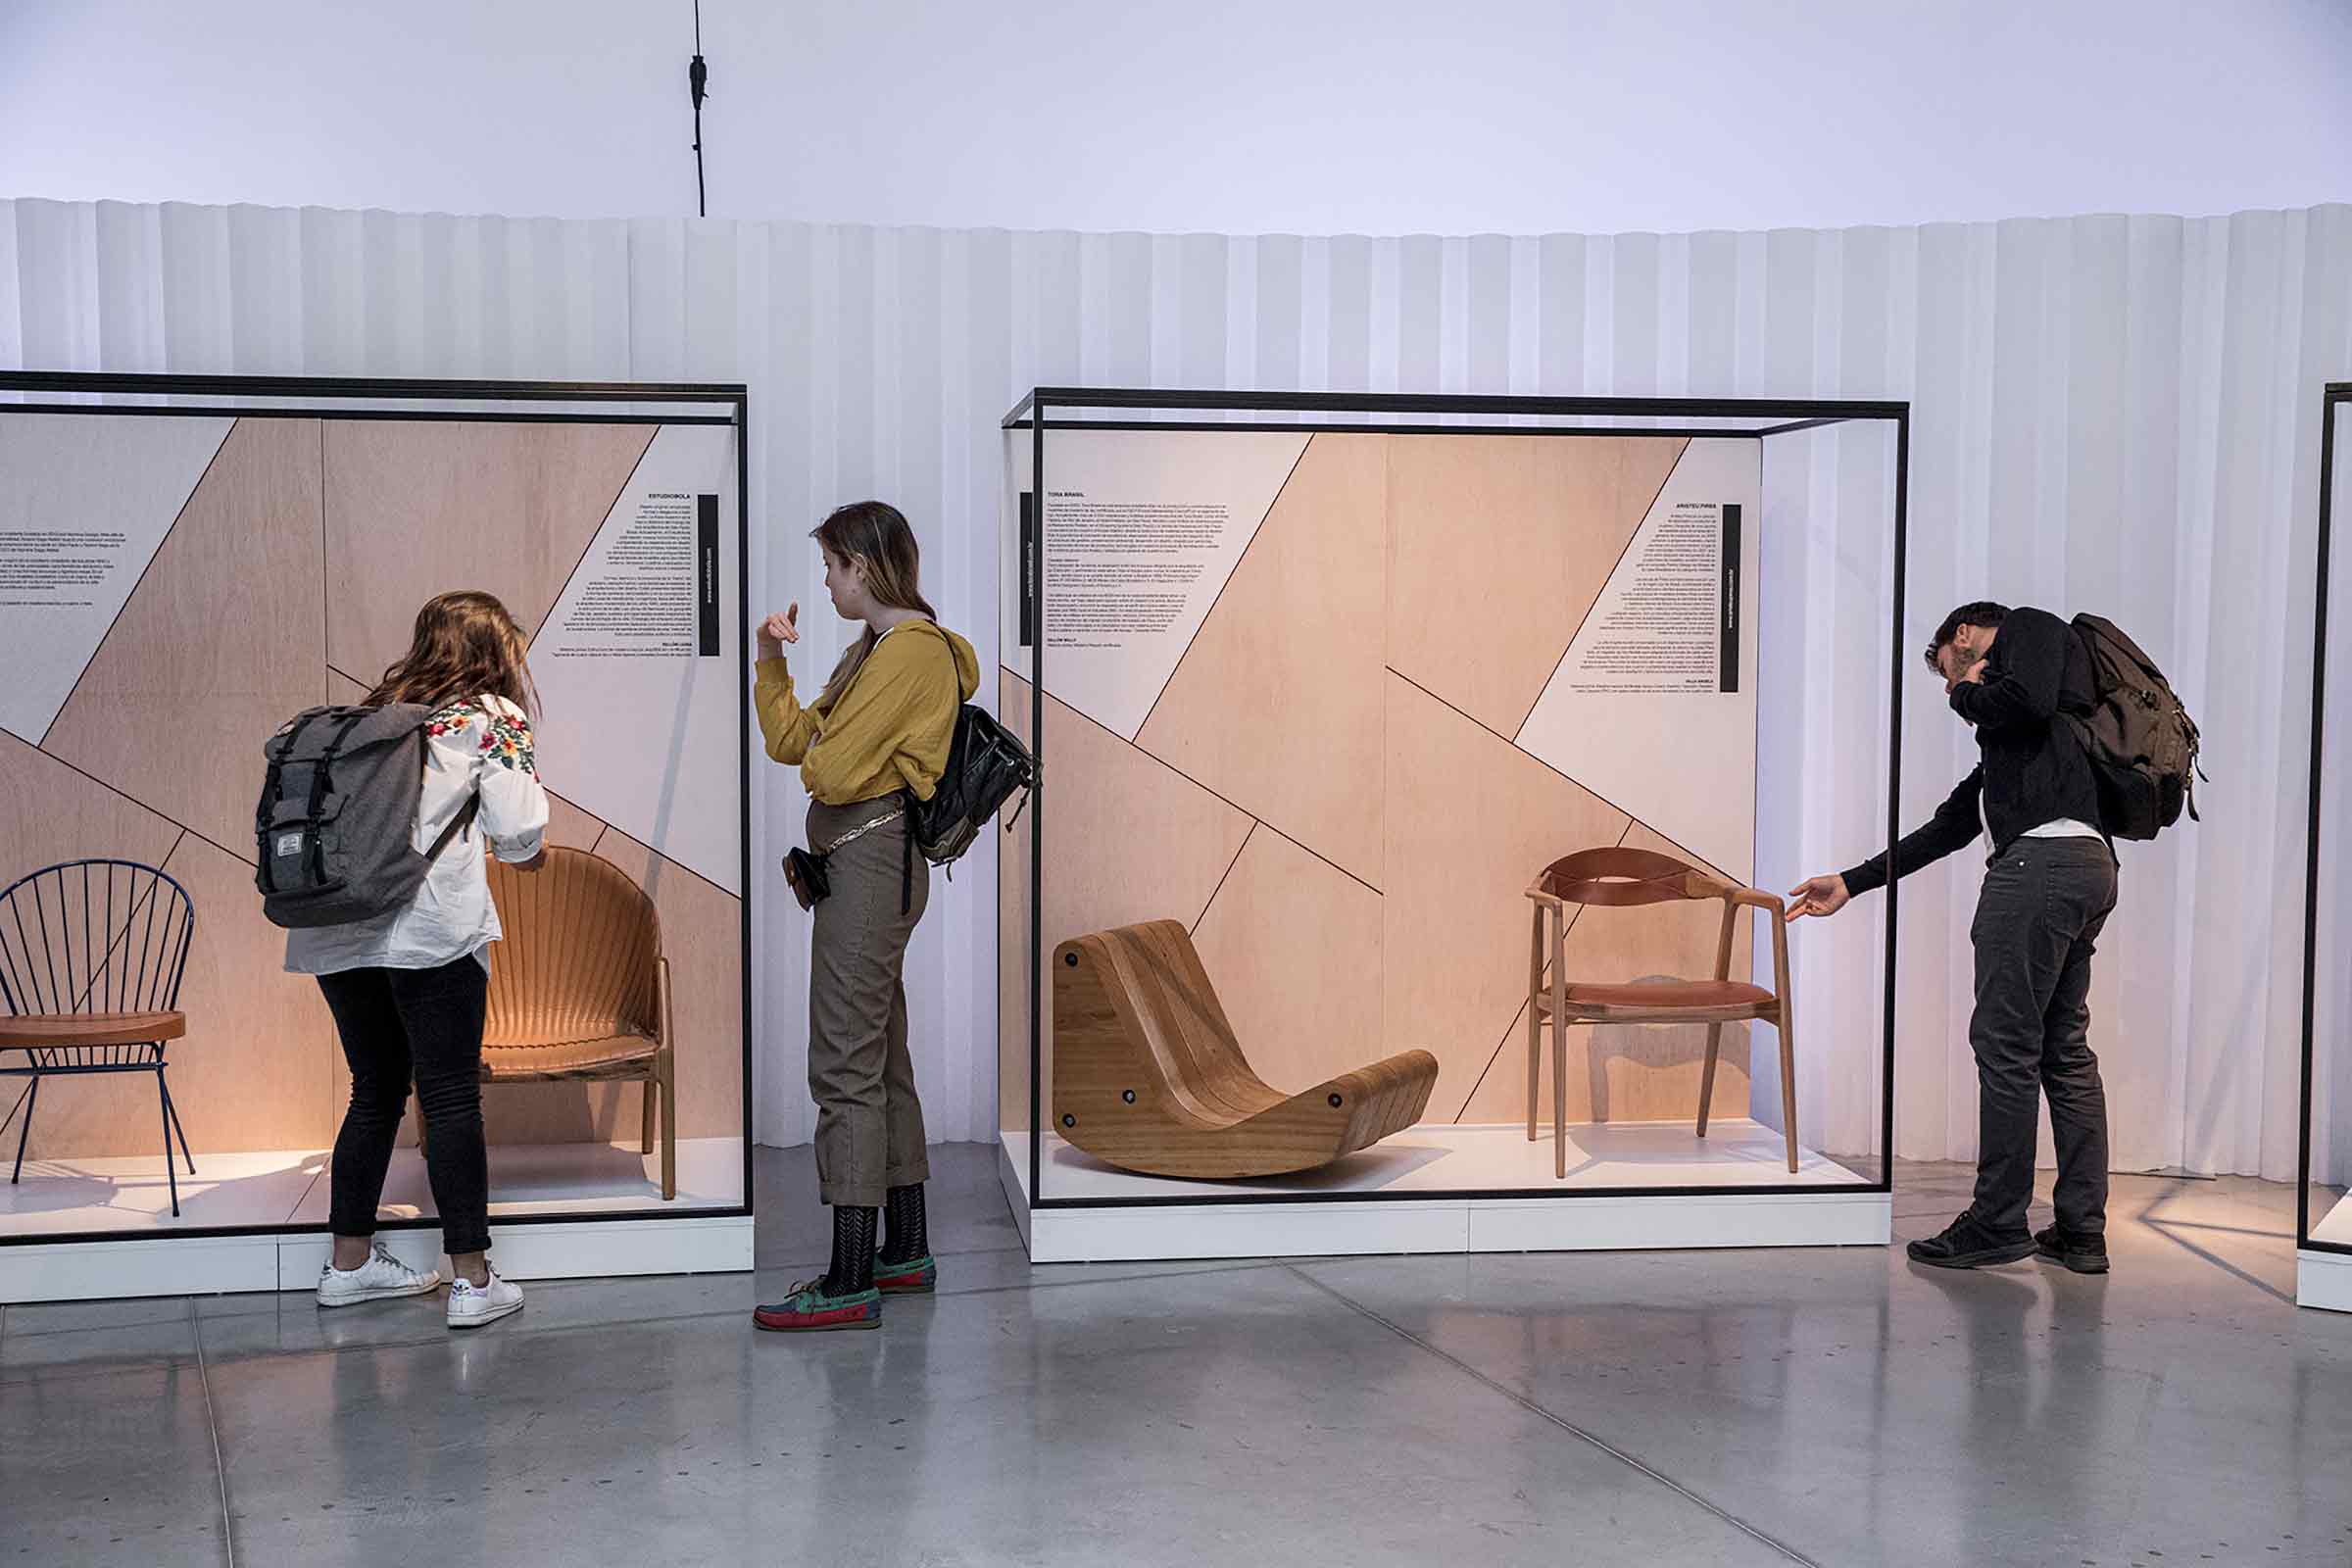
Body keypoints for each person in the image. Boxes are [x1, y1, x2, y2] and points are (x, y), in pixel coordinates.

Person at [1787, 601, 2119, 1274]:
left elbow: (2021, 697)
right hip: (2087, 868)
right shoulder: (2027, 744)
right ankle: (2081, 1232)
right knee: (2063, 1051)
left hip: (2037, 872)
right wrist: (1852, 881)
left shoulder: (2029, 631)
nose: (1951, 690)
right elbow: (1949, 826)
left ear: (1964, 636)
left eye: (1947, 667)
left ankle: (1997, 1222)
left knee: (2006, 1047)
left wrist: (1965, 688)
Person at [286, 590, 550, 1328]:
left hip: (337, 928)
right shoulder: (488, 716)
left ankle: (349, 1266)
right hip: (429, 928)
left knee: (374, 1091)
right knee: (451, 1096)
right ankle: (472, 1282)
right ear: (496, 653)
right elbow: (518, 829)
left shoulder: (371, 716)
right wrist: (528, 853)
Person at [750, 501, 977, 1334]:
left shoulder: (911, 652)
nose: (826, 581)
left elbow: (831, 771)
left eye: (834, 565)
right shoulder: (873, 650)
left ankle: (849, 1277)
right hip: (868, 868)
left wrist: (828, 748)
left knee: (844, 1063)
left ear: (867, 566)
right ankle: (903, 1249)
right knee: (878, 1058)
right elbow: (793, 743)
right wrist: (771, 657)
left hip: (872, 866)